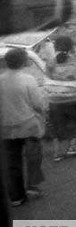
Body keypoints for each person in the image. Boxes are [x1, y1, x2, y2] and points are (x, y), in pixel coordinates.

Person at [1, 48, 48, 206]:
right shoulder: (28, 79)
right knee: (33, 158)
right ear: (22, 62)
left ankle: (16, 197)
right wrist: (43, 114)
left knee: (12, 162)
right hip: (28, 126)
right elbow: (38, 104)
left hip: (6, 128)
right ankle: (32, 187)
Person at [47, 35, 76, 160]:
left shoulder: (50, 63)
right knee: (72, 121)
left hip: (55, 99)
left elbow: (49, 80)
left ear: (55, 46)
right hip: (73, 98)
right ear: (71, 46)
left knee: (56, 124)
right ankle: (72, 147)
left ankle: (56, 153)